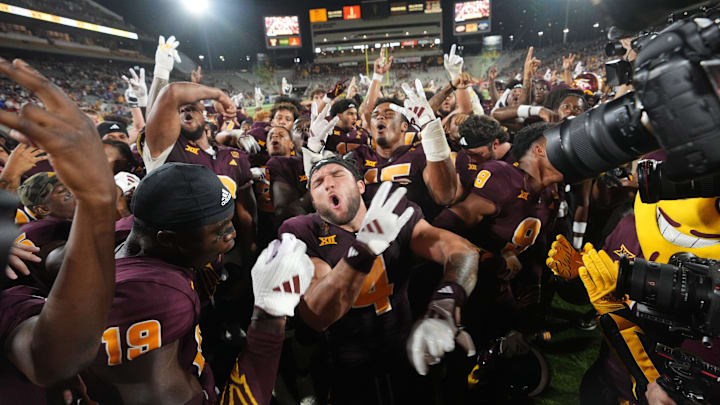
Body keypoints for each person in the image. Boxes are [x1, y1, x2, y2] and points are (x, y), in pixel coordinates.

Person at [82, 163, 314, 405]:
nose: (231, 234)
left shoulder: (136, 230)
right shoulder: (149, 299)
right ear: (170, 239)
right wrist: (270, 315)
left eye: (229, 221)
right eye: (219, 230)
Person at [280, 158, 479, 404]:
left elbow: (461, 251)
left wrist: (445, 306)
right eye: (318, 182)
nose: (328, 183)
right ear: (313, 200)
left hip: (409, 348)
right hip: (347, 364)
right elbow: (318, 315)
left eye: (337, 175)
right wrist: (362, 250)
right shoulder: (302, 230)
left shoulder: (393, 211)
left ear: (360, 186)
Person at [0, 57, 117, 403]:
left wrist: (97, 202)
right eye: (61, 192)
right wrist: (96, 203)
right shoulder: (36, 232)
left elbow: (55, 355)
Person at [434, 122, 565, 339]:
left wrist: (533, 286)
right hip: (466, 283)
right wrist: (489, 257)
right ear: (539, 150)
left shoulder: (550, 193)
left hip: (501, 286)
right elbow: (442, 226)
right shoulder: (503, 178)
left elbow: (536, 247)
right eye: (559, 146)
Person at [142, 81, 257, 261]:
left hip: (228, 247)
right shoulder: (168, 150)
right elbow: (171, 94)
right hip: (184, 255)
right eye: (180, 110)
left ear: (205, 117)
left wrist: (249, 245)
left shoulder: (234, 155)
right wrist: (219, 95)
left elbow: (245, 210)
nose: (186, 112)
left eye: (192, 109)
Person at [344, 82, 459, 221]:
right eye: (376, 115)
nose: (380, 117)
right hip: (368, 233)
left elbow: (445, 196)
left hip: (416, 232)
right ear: (370, 126)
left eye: (389, 114)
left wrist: (431, 129)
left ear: (404, 126)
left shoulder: (420, 153)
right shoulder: (358, 156)